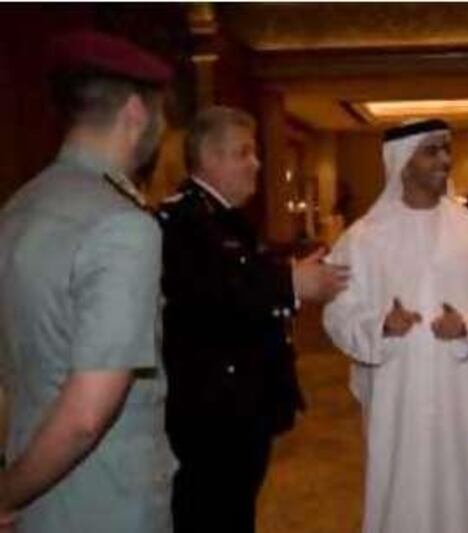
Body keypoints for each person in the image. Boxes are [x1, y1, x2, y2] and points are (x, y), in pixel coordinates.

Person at [0, 30, 174, 532]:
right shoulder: (122, 224)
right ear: (137, 113)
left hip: (36, 484)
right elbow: (85, 416)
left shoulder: (19, 206)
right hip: (107, 502)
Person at [323, 119, 468, 533]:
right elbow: (336, 313)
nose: (445, 160)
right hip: (398, 399)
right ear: (402, 162)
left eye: (447, 149)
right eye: (431, 151)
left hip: (464, 396)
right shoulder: (362, 239)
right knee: (403, 490)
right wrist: (381, 324)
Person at [157, 106, 349, 533]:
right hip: (211, 416)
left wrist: (287, 281)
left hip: (238, 409)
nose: (256, 163)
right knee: (212, 516)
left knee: (235, 514)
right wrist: (291, 284)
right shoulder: (184, 221)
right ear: (209, 157)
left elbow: (239, 285)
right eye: (244, 153)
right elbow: (207, 299)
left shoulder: (223, 218)